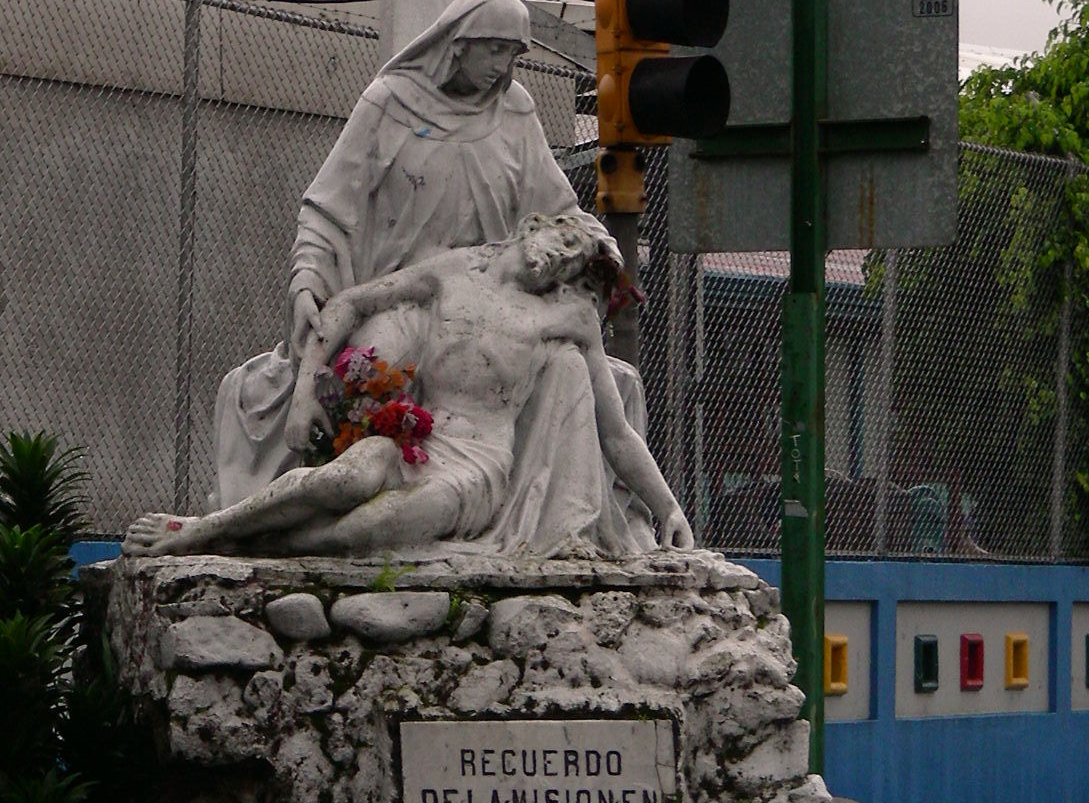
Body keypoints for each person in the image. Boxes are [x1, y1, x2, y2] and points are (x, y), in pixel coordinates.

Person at [127, 211, 692, 559]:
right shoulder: (454, 273)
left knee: (369, 528)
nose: (565, 259)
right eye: (569, 239)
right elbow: (351, 303)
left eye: (580, 263)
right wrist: (305, 393)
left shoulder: (568, 320)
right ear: (535, 227)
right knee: (348, 477)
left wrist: (667, 507)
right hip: (417, 443)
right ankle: (210, 528)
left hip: (477, 469)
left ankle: (228, 542)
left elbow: (615, 433)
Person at [215, 0, 579, 508]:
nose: (503, 65)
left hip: (490, 308)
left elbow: (558, 216)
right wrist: (307, 281)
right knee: (365, 380)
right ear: (459, 43)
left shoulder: (515, 111)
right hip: (398, 300)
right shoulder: (390, 103)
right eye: (495, 48)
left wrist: (593, 260)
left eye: (514, 54)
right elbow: (328, 207)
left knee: (596, 380)